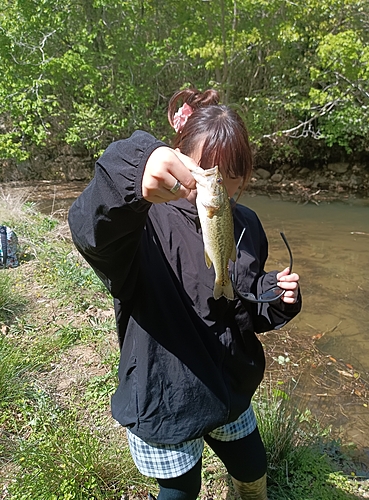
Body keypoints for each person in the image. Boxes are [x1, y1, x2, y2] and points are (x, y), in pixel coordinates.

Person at [68, 88, 301, 500]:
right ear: (181, 155)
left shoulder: (246, 223)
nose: (218, 180)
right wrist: (136, 169)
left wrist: (274, 294)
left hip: (228, 387)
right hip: (168, 396)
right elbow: (91, 231)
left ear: (245, 175)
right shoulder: (140, 221)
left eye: (232, 171)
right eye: (205, 167)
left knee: (253, 466)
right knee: (181, 491)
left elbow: (242, 302)